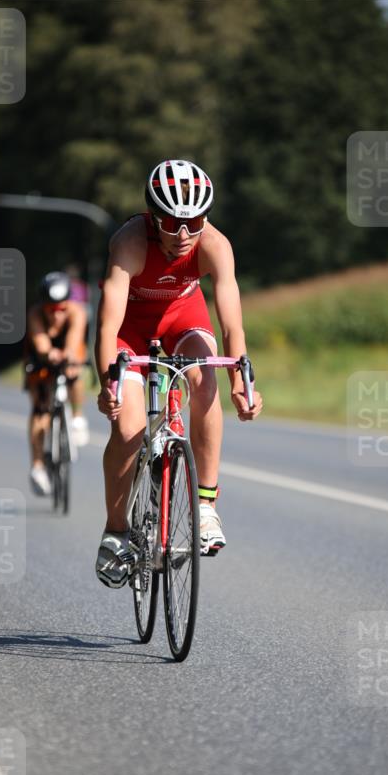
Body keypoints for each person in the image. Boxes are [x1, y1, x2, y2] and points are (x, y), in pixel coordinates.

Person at [95, 158, 263, 588]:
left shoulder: (215, 245)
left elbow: (231, 326)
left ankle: (205, 505)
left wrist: (242, 384)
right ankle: (116, 531)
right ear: (153, 218)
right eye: (172, 223)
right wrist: (107, 382)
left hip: (182, 320)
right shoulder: (129, 242)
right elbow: (108, 324)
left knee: (205, 378)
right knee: (130, 428)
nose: (184, 235)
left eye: (195, 222)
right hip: (130, 332)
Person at [24, 271, 90, 496]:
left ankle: (78, 417)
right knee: (40, 409)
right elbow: (41, 343)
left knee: (75, 372)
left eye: (62, 309)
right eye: (51, 310)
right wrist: (48, 354)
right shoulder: (34, 314)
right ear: (43, 306)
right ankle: (38, 466)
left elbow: (74, 340)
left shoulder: (77, 312)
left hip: (66, 348)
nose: (57, 315)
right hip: (41, 354)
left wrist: (70, 356)